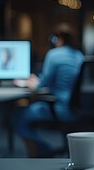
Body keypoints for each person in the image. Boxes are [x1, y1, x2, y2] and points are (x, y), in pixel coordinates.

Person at [10, 24, 84, 157]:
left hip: (58, 107)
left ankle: (43, 149)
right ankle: (41, 150)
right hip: (75, 108)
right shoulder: (79, 55)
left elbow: (43, 84)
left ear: (56, 39)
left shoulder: (53, 54)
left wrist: (31, 82)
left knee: (16, 116)